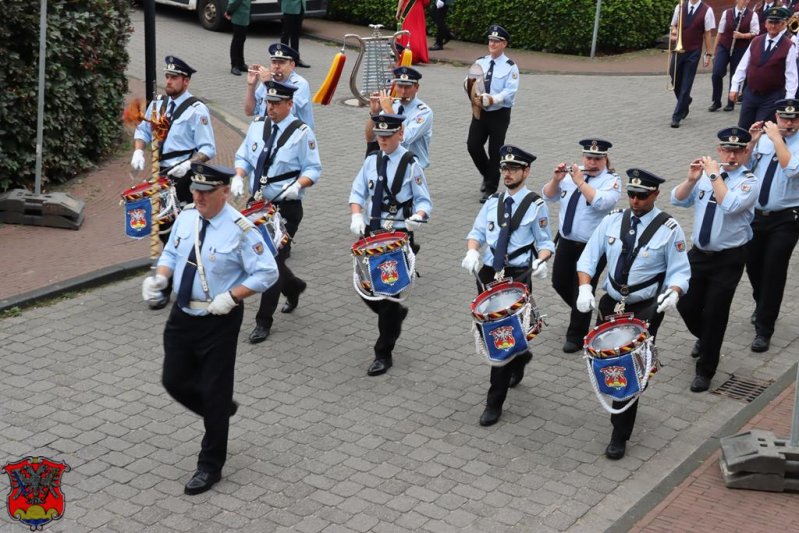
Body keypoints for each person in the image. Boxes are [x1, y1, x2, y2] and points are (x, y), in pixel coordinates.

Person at [141, 163, 278, 495]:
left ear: (224, 192)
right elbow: (172, 253)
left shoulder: (242, 229)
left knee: (215, 391)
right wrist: (160, 276)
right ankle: (219, 411)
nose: (198, 197)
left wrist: (233, 296)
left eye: (206, 192)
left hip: (219, 319)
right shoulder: (187, 217)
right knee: (172, 380)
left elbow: (267, 272)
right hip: (183, 313)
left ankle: (210, 465)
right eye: (195, 191)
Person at [576, 169, 691, 460]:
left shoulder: (669, 229)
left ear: (655, 194)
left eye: (642, 196)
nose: (635, 201)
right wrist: (585, 287)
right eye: (632, 195)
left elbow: (680, 270)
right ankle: (621, 398)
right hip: (610, 303)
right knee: (606, 361)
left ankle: (620, 433)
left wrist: (674, 291)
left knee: (627, 367)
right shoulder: (612, 221)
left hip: (644, 308)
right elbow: (588, 257)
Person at [462, 145, 554, 427]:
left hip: (517, 275)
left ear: (526, 172)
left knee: (500, 336)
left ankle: (494, 402)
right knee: (489, 328)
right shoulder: (493, 202)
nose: (508, 174)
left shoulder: (536, 205)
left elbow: (545, 242)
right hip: (490, 272)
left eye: (514, 169)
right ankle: (521, 353)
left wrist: (541, 261)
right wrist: (472, 251)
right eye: (505, 169)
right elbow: (477, 232)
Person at [232, 80, 322, 344]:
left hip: (285, 207)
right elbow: (244, 157)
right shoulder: (258, 126)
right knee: (267, 260)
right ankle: (293, 287)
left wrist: (299, 185)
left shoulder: (301, 133)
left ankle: (263, 321)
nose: (270, 108)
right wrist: (239, 175)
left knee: (270, 262)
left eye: (276, 103)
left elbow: (314, 169)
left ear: (289, 104)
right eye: (268, 102)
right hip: (257, 205)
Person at [671, 127, 758, 392]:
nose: (731, 156)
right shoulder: (706, 177)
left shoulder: (749, 181)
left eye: (737, 151)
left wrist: (713, 174)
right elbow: (677, 199)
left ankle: (705, 371)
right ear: (719, 150)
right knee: (685, 303)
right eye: (726, 150)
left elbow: (729, 204)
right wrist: (690, 179)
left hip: (728, 258)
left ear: (745, 153)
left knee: (716, 314)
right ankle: (706, 338)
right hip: (698, 255)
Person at [349, 114, 433, 376]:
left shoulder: (411, 164)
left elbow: (424, 202)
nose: (382, 141)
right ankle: (394, 315)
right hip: (372, 233)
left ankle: (383, 353)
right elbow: (358, 191)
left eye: (387, 136)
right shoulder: (371, 160)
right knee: (366, 289)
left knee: (387, 295)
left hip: (397, 235)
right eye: (379, 136)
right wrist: (355, 214)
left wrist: (417, 218)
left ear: (400, 133)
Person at [132, 55, 217, 309]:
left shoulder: (196, 110)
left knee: (184, 232)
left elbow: (208, 148)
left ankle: (181, 281)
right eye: (167, 77)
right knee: (163, 230)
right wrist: (138, 150)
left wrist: (188, 164)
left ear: (186, 81)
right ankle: (168, 282)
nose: (168, 81)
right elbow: (142, 131)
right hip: (161, 174)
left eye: (174, 78)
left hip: (185, 178)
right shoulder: (157, 105)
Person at [541, 139, 621, 353]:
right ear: (582, 157)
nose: (592, 162)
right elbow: (548, 196)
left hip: (593, 246)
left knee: (584, 287)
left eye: (597, 159)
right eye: (588, 158)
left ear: (605, 160)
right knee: (559, 282)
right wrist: (556, 180)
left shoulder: (611, 181)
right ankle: (583, 311)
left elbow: (601, 203)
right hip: (567, 241)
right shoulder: (570, 176)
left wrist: (580, 183)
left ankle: (576, 335)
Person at [743, 98, 799, 352]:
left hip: (786, 217)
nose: (788, 123)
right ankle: (762, 303)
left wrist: (777, 138)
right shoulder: (765, 139)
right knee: (754, 266)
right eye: (783, 118)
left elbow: (791, 170)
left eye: (793, 119)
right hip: (755, 215)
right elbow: (741, 168)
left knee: (774, 269)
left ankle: (764, 329)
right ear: (775, 117)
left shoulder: (785, 140)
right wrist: (753, 141)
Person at [467, 25, 520, 202]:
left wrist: (493, 99)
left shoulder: (511, 67)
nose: (492, 44)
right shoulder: (480, 62)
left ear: (504, 44)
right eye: (490, 40)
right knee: (473, 145)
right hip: (480, 111)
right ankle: (488, 175)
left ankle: (490, 188)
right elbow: (469, 82)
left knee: (495, 150)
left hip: (499, 113)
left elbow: (510, 91)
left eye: (496, 41)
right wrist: (472, 96)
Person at [730, 7, 797, 130]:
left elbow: (791, 76)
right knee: (743, 128)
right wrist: (734, 87)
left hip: (771, 97)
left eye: (777, 23)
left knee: (761, 130)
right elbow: (742, 66)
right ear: (765, 24)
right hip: (750, 94)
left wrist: (788, 101)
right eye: (770, 22)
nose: (773, 26)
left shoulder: (788, 46)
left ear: (783, 24)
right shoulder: (756, 41)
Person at [364, 66, 433, 168]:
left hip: (410, 167)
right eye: (400, 86)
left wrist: (389, 111)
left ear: (417, 87)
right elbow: (370, 138)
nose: (403, 92)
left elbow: (403, 139)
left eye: (407, 87)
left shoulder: (424, 112)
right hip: (387, 164)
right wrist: (375, 113)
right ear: (395, 86)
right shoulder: (393, 105)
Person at [668, 0, 715, 128]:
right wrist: (673, 33)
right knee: (674, 79)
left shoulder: (707, 10)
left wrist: (709, 53)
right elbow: (673, 26)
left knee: (686, 84)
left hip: (694, 51)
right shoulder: (680, 6)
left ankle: (676, 116)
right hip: (679, 50)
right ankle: (686, 102)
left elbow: (707, 33)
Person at [245, 43, 314, 130]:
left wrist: (269, 85)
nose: (277, 67)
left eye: (281, 62)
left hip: (294, 137)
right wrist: (251, 86)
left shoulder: (300, 84)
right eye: (274, 62)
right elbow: (249, 111)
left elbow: (283, 114)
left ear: (292, 65)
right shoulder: (268, 81)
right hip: (266, 132)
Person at [708, 0, 759, 112]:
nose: (745, 1)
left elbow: (755, 33)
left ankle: (731, 102)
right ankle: (716, 101)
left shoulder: (752, 15)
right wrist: (714, 50)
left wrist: (743, 35)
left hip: (741, 48)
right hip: (725, 46)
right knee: (716, 73)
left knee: (735, 75)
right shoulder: (727, 13)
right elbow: (720, 32)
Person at [396, 0, 430, 65]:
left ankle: (407, 54)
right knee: (418, 31)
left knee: (407, 29)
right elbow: (426, 1)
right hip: (418, 9)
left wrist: (398, 12)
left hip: (408, 9)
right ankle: (419, 54)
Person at [280, 0, 309, 68]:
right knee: (286, 33)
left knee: (296, 34)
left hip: (300, 6)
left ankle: (296, 59)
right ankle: (283, 58)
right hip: (289, 7)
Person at [225, 0, 251, 76]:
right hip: (239, 16)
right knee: (236, 41)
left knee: (241, 40)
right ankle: (234, 65)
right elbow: (234, 2)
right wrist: (228, 11)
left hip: (244, 16)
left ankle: (241, 64)